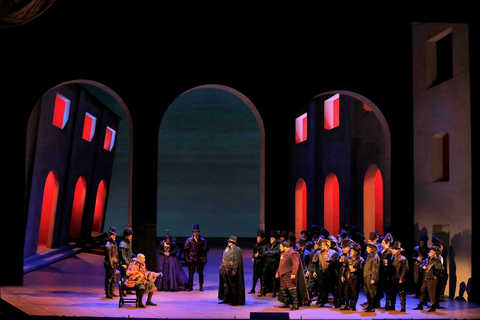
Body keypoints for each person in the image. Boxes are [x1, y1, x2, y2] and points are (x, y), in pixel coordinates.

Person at [414, 245, 444, 312]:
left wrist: (435, 269)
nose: (430, 252)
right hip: (426, 278)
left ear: (434, 253)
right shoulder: (427, 260)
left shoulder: (437, 260)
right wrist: (423, 267)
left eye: (431, 251)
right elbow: (420, 265)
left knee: (431, 293)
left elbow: (441, 268)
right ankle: (421, 304)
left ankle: (433, 306)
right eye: (430, 251)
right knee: (422, 291)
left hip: (432, 279)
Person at [276, 240, 304, 310]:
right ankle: (286, 303)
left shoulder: (293, 253)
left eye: (280, 246)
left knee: (292, 290)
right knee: (283, 290)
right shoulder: (282, 253)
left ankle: (295, 305)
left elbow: (295, 264)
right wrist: (278, 272)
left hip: (289, 274)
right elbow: (281, 264)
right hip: (282, 274)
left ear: (285, 247)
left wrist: (294, 273)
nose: (280, 248)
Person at [218, 235, 246, 305]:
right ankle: (226, 298)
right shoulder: (227, 249)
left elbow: (236, 260)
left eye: (229, 242)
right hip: (225, 269)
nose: (228, 243)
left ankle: (235, 299)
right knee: (226, 285)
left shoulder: (236, 250)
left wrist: (234, 270)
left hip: (231, 269)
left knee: (233, 285)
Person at [183, 223, 209, 291]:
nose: (196, 233)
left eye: (197, 232)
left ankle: (201, 285)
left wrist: (205, 259)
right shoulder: (189, 240)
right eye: (194, 232)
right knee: (191, 272)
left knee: (200, 272)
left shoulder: (203, 241)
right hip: (191, 258)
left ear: (199, 232)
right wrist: (186, 258)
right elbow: (186, 250)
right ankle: (190, 286)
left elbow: (205, 251)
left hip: (199, 258)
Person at [315, 238, 340, 307]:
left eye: (323, 245)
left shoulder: (333, 253)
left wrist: (331, 260)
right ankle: (322, 301)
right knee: (322, 288)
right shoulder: (318, 253)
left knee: (333, 288)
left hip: (331, 273)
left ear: (327, 246)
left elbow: (337, 263)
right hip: (322, 273)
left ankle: (336, 301)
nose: (321, 247)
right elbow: (315, 263)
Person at [341, 242, 364, 311]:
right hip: (347, 277)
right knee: (346, 291)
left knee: (354, 292)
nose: (351, 252)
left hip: (355, 278)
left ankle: (353, 305)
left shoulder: (360, 260)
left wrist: (356, 270)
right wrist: (342, 275)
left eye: (352, 251)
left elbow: (362, 270)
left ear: (356, 252)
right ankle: (347, 305)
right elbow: (344, 267)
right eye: (351, 251)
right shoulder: (348, 258)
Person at [386, 241, 409, 312]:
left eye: (394, 249)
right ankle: (392, 305)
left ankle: (403, 307)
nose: (392, 250)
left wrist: (401, 278)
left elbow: (405, 270)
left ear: (398, 250)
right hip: (392, 277)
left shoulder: (403, 259)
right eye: (392, 249)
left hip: (399, 277)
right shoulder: (391, 258)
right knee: (392, 292)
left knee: (401, 293)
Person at [258, 230, 280, 297]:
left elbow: (277, 252)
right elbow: (264, 252)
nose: (271, 240)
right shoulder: (267, 245)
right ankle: (263, 291)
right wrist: (270, 253)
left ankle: (274, 292)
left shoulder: (278, 246)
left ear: (276, 239)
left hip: (274, 265)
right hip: (267, 264)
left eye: (273, 238)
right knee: (264, 278)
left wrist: (268, 253)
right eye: (271, 238)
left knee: (274, 279)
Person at [377, 232, 393, 309]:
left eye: (383, 242)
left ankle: (387, 303)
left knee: (388, 288)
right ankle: (378, 301)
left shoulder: (389, 251)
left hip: (387, 272)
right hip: (381, 271)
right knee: (379, 287)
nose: (381, 243)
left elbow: (384, 260)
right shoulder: (381, 250)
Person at [363, 242, 380, 312]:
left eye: (368, 248)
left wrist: (373, 278)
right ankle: (369, 305)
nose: (366, 249)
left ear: (372, 249)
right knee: (367, 292)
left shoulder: (375, 256)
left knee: (372, 292)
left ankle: (372, 307)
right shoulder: (369, 255)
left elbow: (375, 269)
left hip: (370, 276)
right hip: (366, 276)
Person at [104, 226, 120, 299]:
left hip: (115, 263)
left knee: (114, 279)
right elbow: (109, 257)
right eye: (112, 235)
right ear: (110, 236)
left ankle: (112, 291)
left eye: (114, 235)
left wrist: (117, 263)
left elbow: (116, 254)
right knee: (109, 278)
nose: (114, 237)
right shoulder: (108, 245)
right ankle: (108, 292)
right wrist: (112, 266)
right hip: (110, 264)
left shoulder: (114, 244)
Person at [248, 229, 266, 294]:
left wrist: (259, 255)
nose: (257, 239)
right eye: (257, 238)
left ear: (262, 239)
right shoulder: (256, 245)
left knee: (261, 277)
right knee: (255, 277)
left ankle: (262, 290)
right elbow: (254, 252)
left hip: (261, 263)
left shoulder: (264, 246)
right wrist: (253, 257)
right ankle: (253, 289)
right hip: (256, 263)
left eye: (259, 238)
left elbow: (264, 255)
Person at [118, 227, 135, 292]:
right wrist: (128, 264)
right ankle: (122, 291)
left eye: (131, 236)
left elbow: (128, 253)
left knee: (129, 277)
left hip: (128, 263)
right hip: (124, 264)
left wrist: (134, 256)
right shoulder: (123, 244)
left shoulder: (128, 243)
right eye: (130, 237)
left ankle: (128, 290)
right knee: (124, 277)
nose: (131, 238)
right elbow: (123, 256)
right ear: (126, 236)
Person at [412, 234, 429, 298]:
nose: (421, 243)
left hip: (424, 265)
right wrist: (417, 258)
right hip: (417, 265)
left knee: (423, 279)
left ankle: (423, 293)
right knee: (417, 279)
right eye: (420, 242)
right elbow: (412, 257)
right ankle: (417, 293)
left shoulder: (427, 249)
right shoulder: (416, 248)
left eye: (422, 242)